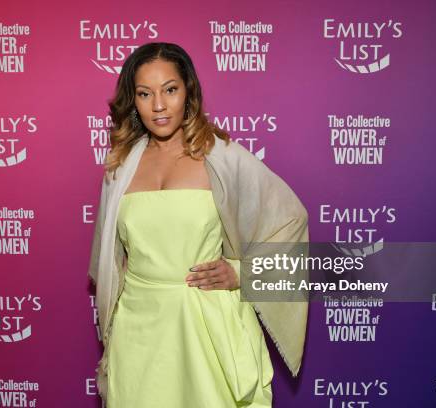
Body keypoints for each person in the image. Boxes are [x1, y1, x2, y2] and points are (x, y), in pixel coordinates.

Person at [88, 42, 309, 408]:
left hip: (206, 328)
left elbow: (290, 221)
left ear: (188, 91)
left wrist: (243, 272)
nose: (158, 105)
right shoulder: (120, 167)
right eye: (145, 94)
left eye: (170, 90)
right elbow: (109, 260)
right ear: (133, 100)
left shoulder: (221, 156)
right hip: (139, 329)